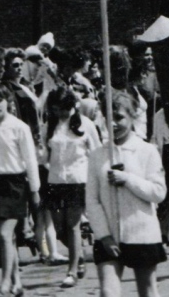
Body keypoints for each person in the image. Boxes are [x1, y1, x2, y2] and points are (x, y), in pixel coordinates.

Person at [88, 90, 168, 297]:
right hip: (108, 235)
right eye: (108, 118)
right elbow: (92, 200)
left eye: (119, 117)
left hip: (141, 232)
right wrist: (104, 236)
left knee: (147, 291)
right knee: (108, 292)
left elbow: (158, 192)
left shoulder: (147, 150)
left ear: (133, 116)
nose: (113, 124)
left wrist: (128, 179)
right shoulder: (97, 155)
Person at [0, 85, 42, 297]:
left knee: (4, 234)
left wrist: (35, 190)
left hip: (15, 185)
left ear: (8, 102)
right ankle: (17, 283)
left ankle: (4, 284)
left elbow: (30, 161)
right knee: (7, 238)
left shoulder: (19, 127)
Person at [46, 86, 102, 287]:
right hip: (55, 180)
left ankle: (71, 271)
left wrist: (98, 179)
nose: (60, 113)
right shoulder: (50, 125)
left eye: (63, 109)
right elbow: (44, 154)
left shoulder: (85, 124)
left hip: (78, 179)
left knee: (72, 225)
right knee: (59, 229)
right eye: (56, 109)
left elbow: (96, 152)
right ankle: (79, 256)